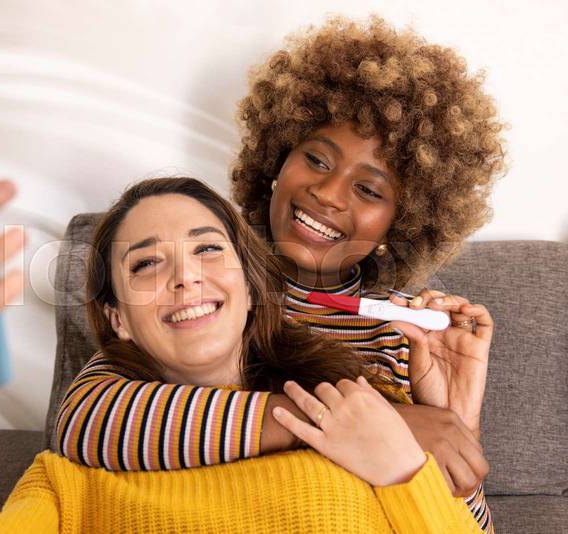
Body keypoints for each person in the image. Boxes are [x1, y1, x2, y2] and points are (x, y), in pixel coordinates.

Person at [0, 142, 480, 531]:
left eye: (206, 250)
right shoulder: (74, 474)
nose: (184, 278)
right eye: (145, 263)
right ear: (116, 318)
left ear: (252, 288)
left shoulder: (365, 415)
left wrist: (443, 434)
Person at [56, 15, 503, 533]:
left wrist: (456, 425)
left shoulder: (402, 339)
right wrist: (367, 424)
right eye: (316, 159)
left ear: (398, 221)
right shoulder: (205, 291)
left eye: (369, 190)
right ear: (276, 160)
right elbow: (85, 421)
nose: (329, 194)